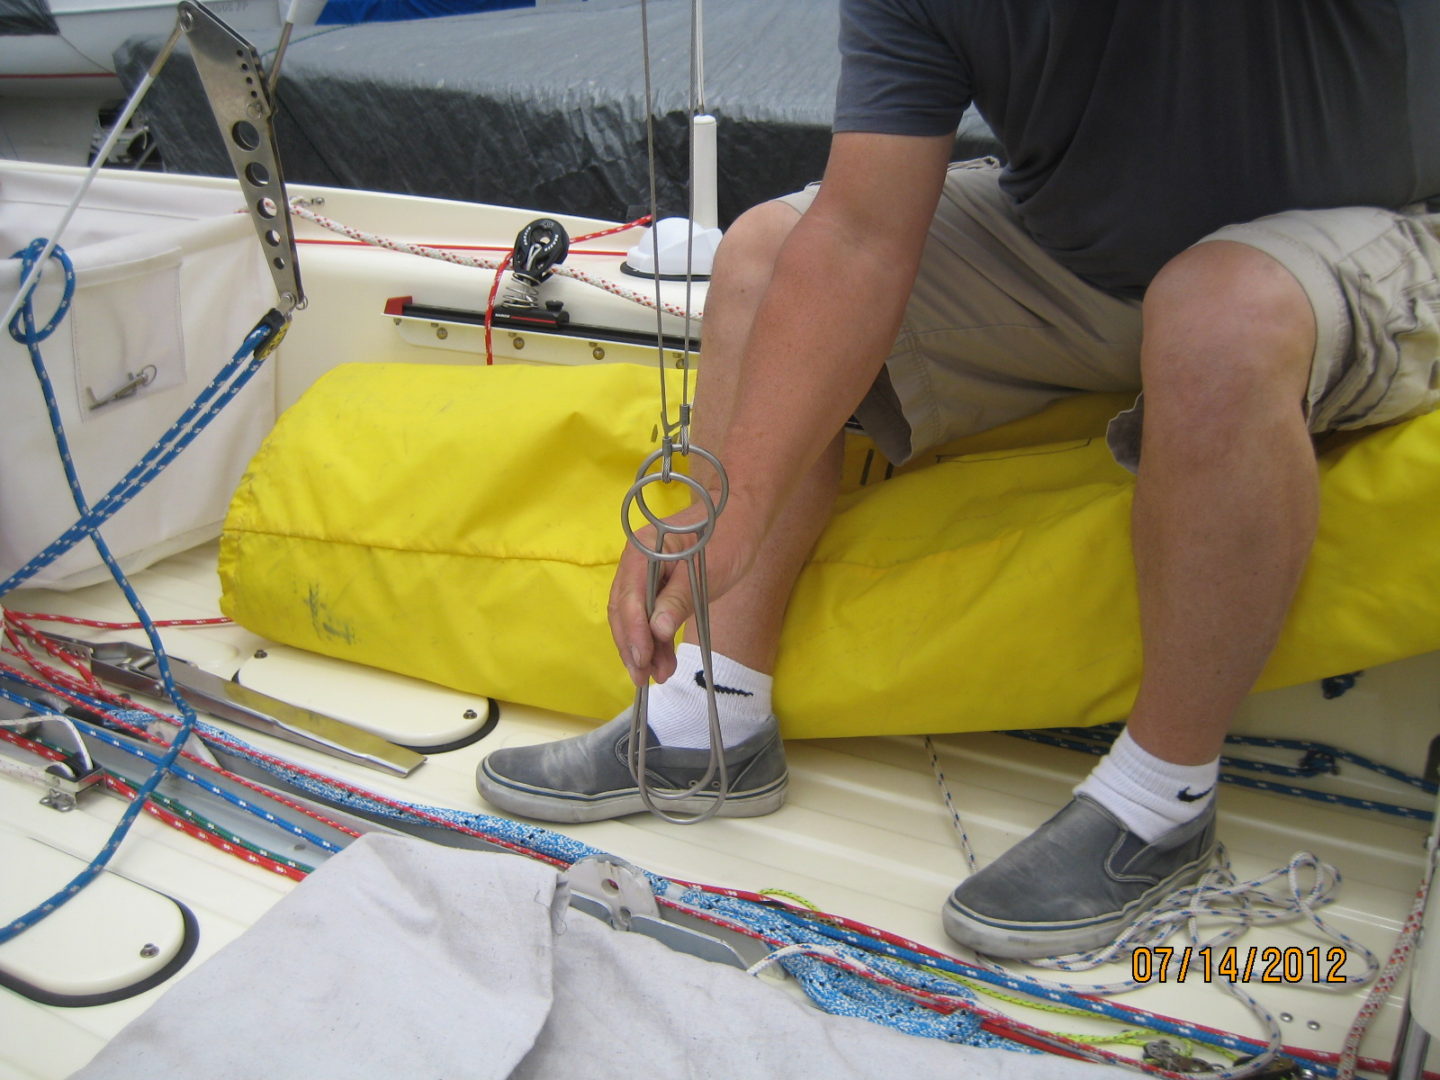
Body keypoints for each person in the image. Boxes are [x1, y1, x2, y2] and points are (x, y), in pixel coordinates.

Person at [478, 0, 1440, 959]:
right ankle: (711, 711)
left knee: (1217, 311)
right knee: (769, 255)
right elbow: (860, 235)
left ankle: (1164, 797)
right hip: (1079, 253)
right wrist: (727, 494)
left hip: (1370, 229)